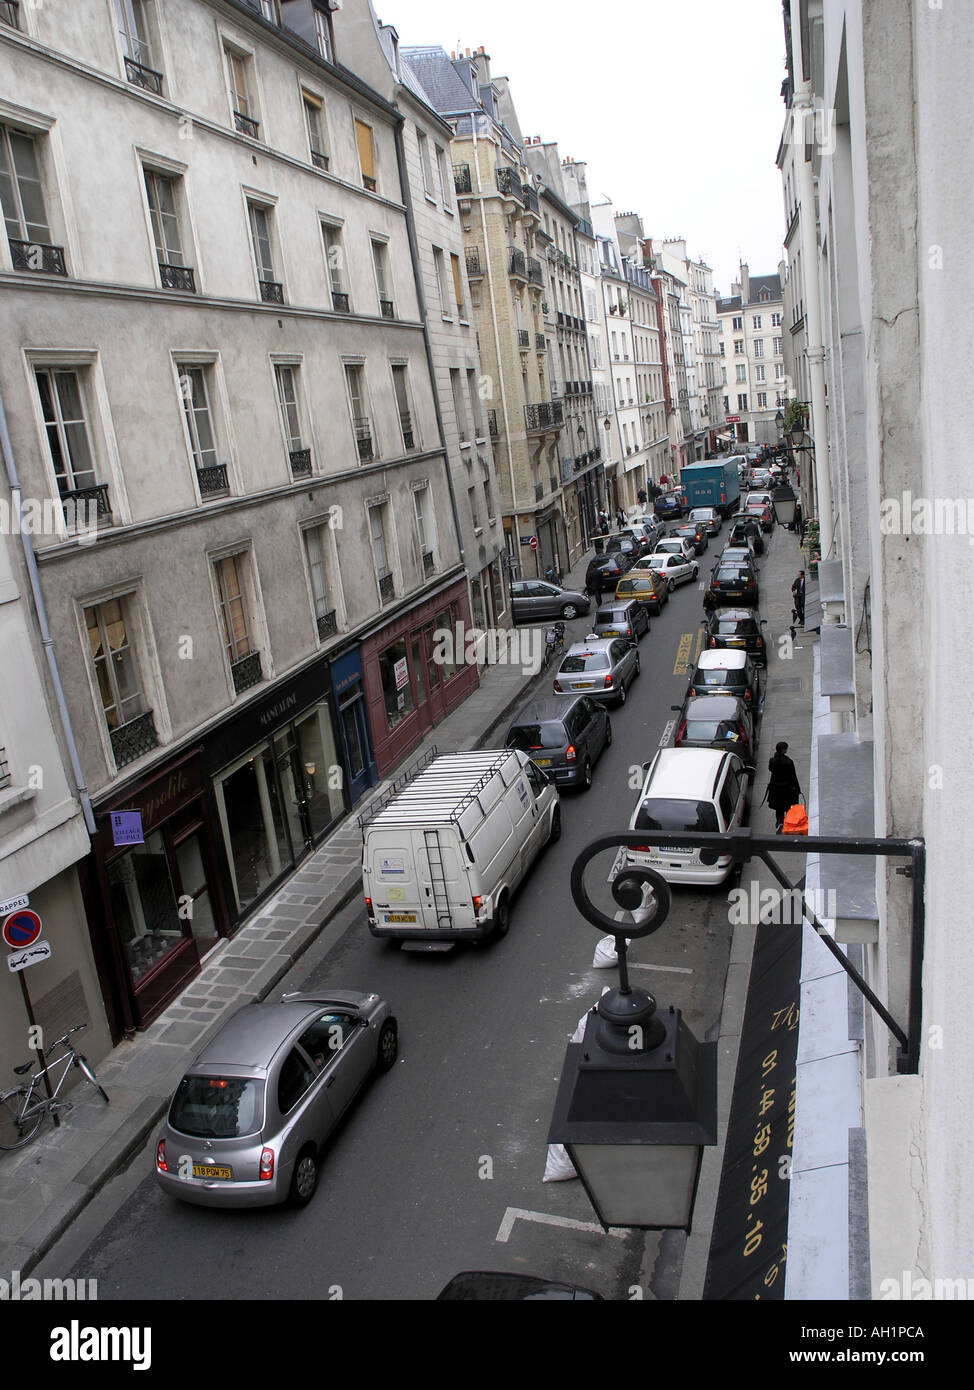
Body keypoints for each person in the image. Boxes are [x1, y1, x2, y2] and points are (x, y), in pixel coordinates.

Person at [766, 741, 802, 833]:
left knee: (779, 808)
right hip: (787, 789)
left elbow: (770, 769)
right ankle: (788, 824)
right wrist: (798, 789)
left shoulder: (772, 761)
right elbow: (793, 777)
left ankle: (779, 822)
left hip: (776, 788)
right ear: (783, 750)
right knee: (788, 807)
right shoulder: (788, 762)